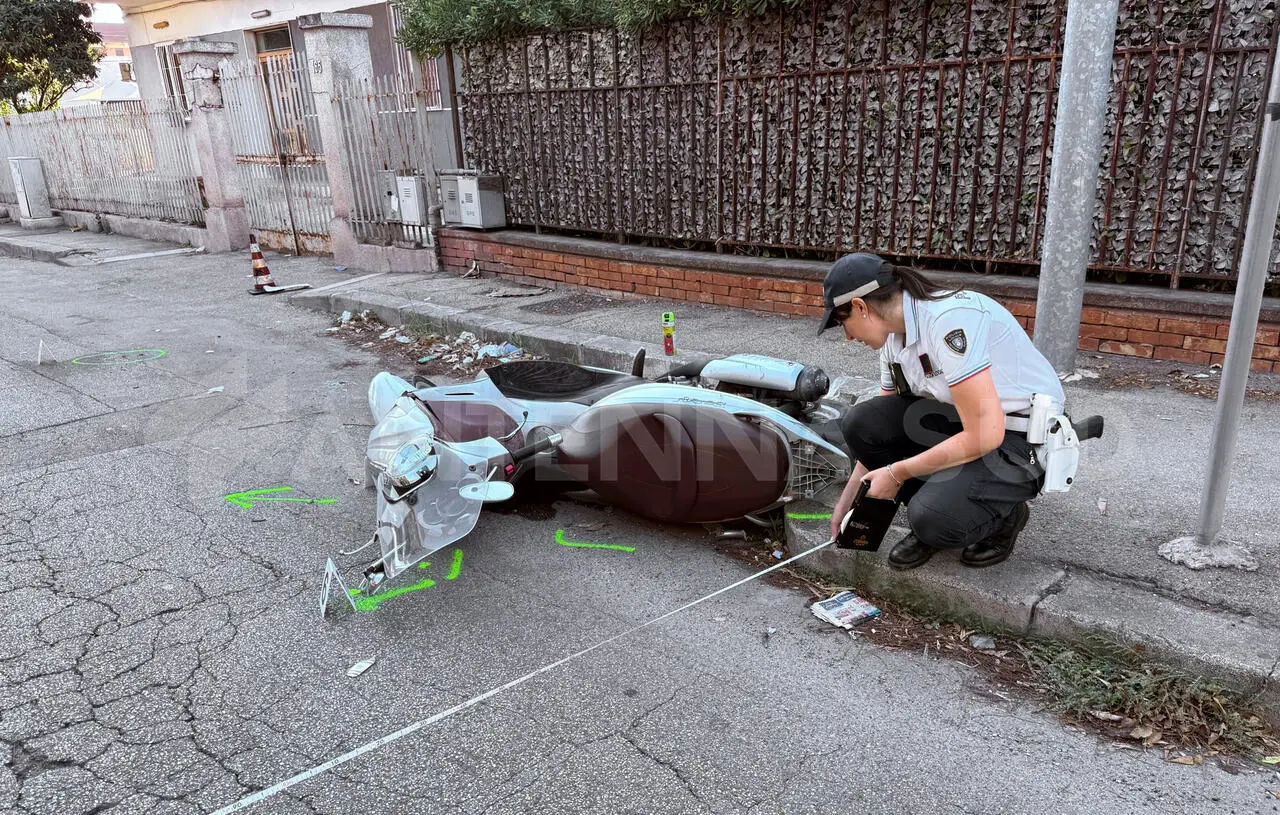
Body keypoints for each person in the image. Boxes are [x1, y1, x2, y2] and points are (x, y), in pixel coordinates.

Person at [817, 253, 1064, 570]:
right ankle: (944, 503)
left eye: (843, 323)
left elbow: (986, 435)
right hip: (965, 423)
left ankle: (1003, 516)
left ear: (861, 307)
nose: (848, 337)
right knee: (862, 422)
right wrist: (848, 501)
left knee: (932, 519)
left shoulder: (949, 320)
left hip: (1020, 438)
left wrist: (897, 473)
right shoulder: (894, 337)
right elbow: (878, 433)